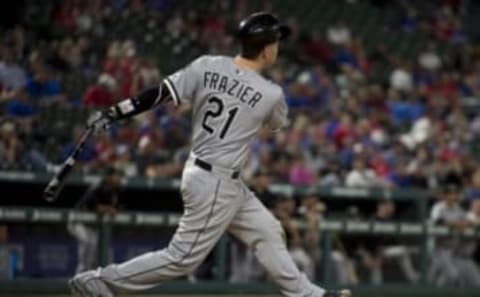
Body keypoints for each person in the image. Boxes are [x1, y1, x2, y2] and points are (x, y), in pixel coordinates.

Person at [69, 12, 351, 297]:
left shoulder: (207, 64)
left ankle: (309, 295)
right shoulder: (271, 93)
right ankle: (100, 280)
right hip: (215, 181)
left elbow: (158, 94)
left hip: (211, 175)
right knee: (181, 258)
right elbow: (276, 126)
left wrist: (116, 112)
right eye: (276, 42)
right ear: (266, 50)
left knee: (266, 229)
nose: (278, 47)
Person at [68, 167, 121, 273]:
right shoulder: (98, 187)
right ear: (109, 177)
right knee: (87, 243)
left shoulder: (114, 190)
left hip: (91, 225)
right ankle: (80, 276)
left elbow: (114, 208)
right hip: (77, 221)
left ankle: (90, 278)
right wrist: (109, 209)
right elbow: (94, 207)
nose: (118, 178)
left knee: (96, 251)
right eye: (116, 176)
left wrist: (112, 209)